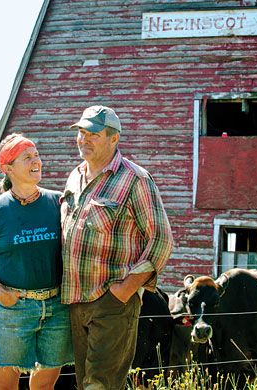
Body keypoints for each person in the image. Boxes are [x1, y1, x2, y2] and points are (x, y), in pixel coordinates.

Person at [60, 105, 174, 389]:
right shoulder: (75, 176)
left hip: (111, 302)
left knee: (101, 384)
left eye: (93, 134)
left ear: (114, 139)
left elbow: (161, 239)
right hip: (75, 301)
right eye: (81, 132)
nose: (83, 139)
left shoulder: (135, 179)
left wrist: (124, 290)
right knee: (85, 382)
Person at [0, 133, 73, 390]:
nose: (36, 160)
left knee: (44, 386)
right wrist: (0, 294)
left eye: (36, 155)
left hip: (57, 308)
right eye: (27, 157)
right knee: (4, 385)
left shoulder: (58, 202)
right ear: (8, 168)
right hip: (14, 308)